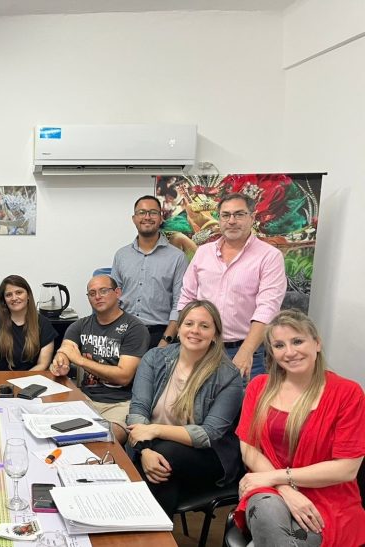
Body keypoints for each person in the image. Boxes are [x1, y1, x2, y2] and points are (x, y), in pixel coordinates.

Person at [234, 310, 365, 547]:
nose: (290, 352)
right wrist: (285, 489)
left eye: (297, 341)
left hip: (327, 498)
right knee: (266, 510)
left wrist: (275, 477)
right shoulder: (258, 387)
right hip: (270, 489)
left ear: (317, 343)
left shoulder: (348, 393)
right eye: (279, 345)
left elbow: (346, 469)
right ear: (272, 352)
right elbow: (249, 449)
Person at [126, 300, 243, 516]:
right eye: (189, 324)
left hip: (207, 455)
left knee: (163, 457)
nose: (195, 331)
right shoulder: (154, 358)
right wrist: (145, 451)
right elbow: (138, 409)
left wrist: (155, 430)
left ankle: (140, 526)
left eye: (204, 326)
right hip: (154, 446)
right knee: (161, 470)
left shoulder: (229, 376)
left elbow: (209, 434)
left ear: (215, 335)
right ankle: (156, 530)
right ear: (179, 329)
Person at [177, 192, 287, 380]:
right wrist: (185, 338)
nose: (232, 221)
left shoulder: (269, 256)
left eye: (239, 214)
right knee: (196, 398)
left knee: (243, 399)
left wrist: (246, 351)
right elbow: (187, 297)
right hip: (201, 347)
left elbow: (268, 308)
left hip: (244, 350)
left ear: (252, 217)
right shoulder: (203, 252)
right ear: (219, 219)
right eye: (226, 215)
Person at [50, 274, 149, 444]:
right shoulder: (79, 325)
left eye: (103, 291)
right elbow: (65, 351)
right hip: (84, 398)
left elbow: (123, 376)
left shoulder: (135, 328)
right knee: (54, 431)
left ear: (117, 293)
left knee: (105, 439)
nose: (97, 296)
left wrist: (80, 360)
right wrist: (60, 362)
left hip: (119, 404)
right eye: (92, 293)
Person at [111, 195, 188, 347]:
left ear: (161, 218)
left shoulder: (177, 258)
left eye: (153, 212)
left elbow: (180, 304)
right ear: (134, 219)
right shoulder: (121, 255)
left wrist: (166, 340)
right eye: (142, 212)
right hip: (123, 333)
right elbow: (114, 298)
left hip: (160, 335)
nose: (147, 217)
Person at [0, 275, 57, 372]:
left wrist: (22, 379)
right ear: (4, 300)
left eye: (19, 292)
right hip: (0, 379)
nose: (14, 298)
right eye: (9, 295)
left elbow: (43, 364)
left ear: (28, 295)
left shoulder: (44, 324)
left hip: (31, 378)